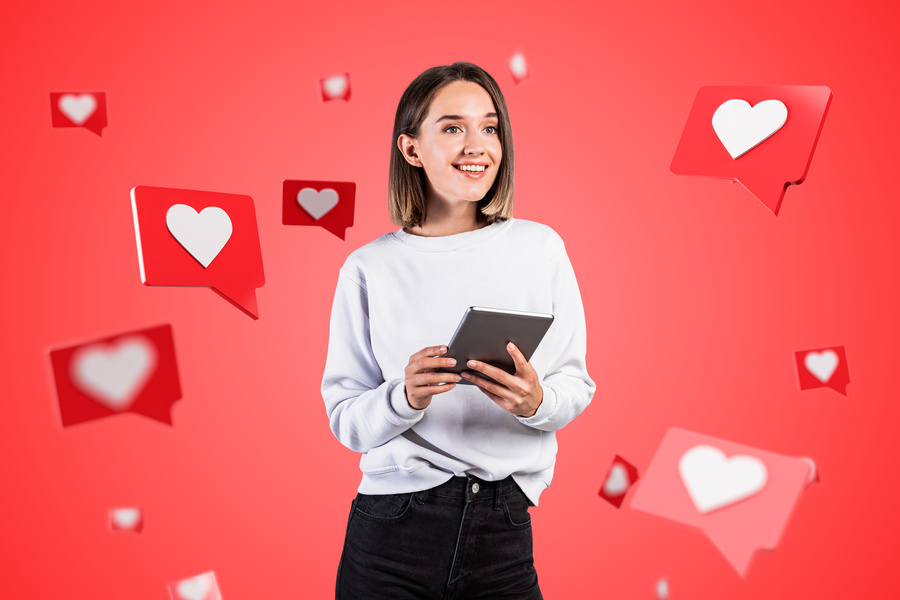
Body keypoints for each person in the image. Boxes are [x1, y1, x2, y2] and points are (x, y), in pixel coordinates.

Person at [321, 61, 595, 600]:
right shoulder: (369, 267)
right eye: (452, 128)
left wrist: (535, 402)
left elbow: (575, 387)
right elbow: (345, 421)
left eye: (489, 127)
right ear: (410, 149)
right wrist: (404, 396)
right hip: (392, 534)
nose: (478, 146)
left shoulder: (540, 249)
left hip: (504, 531)